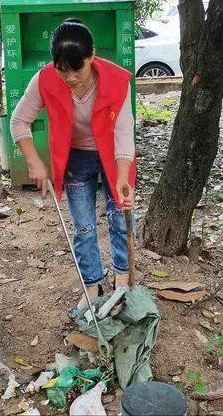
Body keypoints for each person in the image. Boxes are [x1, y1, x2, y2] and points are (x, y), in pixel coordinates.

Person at [10, 19, 136, 308]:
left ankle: (122, 277)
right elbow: (19, 122)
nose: (70, 78)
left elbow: (124, 132)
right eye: (62, 69)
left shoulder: (116, 81)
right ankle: (92, 285)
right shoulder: (44, 80)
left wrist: (122, 177)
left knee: (120, 215)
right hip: (76, 158)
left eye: (77, 69)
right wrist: (34, 162)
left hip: (114, 155)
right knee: (83, 227)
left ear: (91, 56)